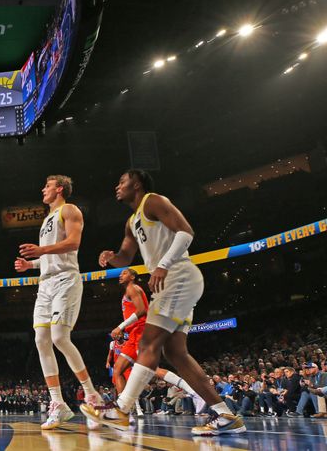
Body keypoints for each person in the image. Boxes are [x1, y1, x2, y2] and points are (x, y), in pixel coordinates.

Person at [81, 169, 246, 436]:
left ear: (137, 183)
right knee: (176, 354)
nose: (117, 186)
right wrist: (111, 257)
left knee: (148, 343)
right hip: (173, 283)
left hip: (178, 276)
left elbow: (186, 232)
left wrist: (162, 265)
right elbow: (125, 257)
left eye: (122, 181)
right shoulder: (131, 221)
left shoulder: (154, 201)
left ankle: (122, 409)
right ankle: (227, 416)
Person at [14, 174, 103, 430]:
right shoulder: (46, 220)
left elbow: (73, 243)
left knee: (59, 338)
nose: (43, 189)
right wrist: (30, 264)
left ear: (60, 189)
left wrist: (41, 251)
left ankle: (91, 395)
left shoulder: (69, 210)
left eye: (48, 186)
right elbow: (49, 257)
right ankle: (58, 404)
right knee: (41, 340)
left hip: (66, 279)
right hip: (46, 283)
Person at [109, 268, 205, 415]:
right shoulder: (127, 291)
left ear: (133, 276)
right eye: (121, 273)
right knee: (118, 369)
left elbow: (141, 310)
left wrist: (120, 326)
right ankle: (122, 410)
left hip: (142, 333)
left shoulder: (133, 289)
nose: (121, 275)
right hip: (133, 334)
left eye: (125, 273)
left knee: (154, 370)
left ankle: (194, 392)